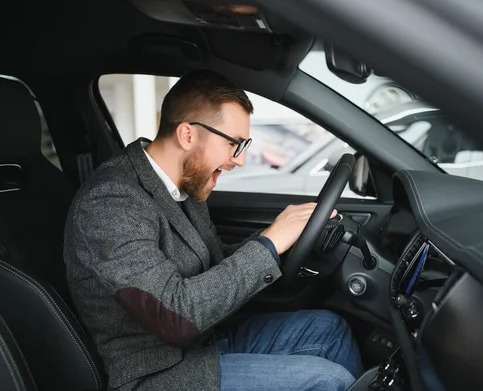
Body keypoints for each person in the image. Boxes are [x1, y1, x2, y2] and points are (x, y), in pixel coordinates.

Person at [63, 69, 363, 391]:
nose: (242, 159)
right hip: (157, 373)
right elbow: (173, 317)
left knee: (330, 330)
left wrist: (280, 237)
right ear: (188, 135)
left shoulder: (186, 184)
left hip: (207, 342)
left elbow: (215, 266)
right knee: (329, 382)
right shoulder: (110, 202)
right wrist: (269, 244)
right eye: (234, 143)